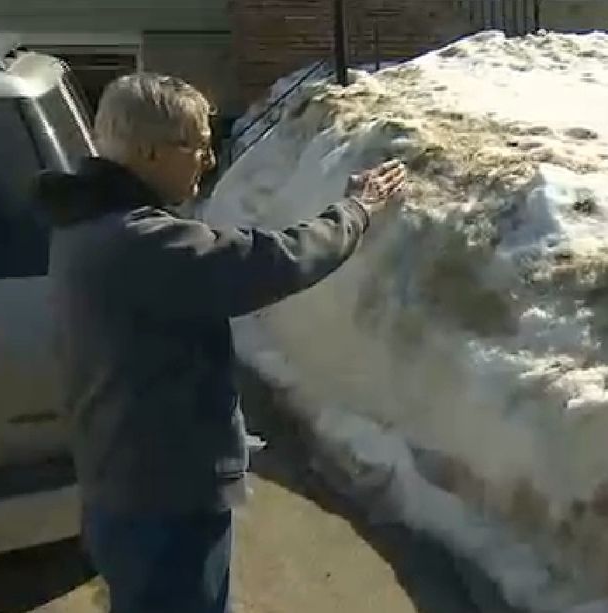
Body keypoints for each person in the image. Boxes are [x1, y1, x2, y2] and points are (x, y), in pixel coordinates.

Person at [35, 73, 406, 613]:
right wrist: (356, 211)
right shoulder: (138, 241)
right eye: (199, 146)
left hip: (129, 485)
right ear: (150, 152)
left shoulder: (83, 225)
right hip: (163, 501)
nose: (209, 161)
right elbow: (268, 262)